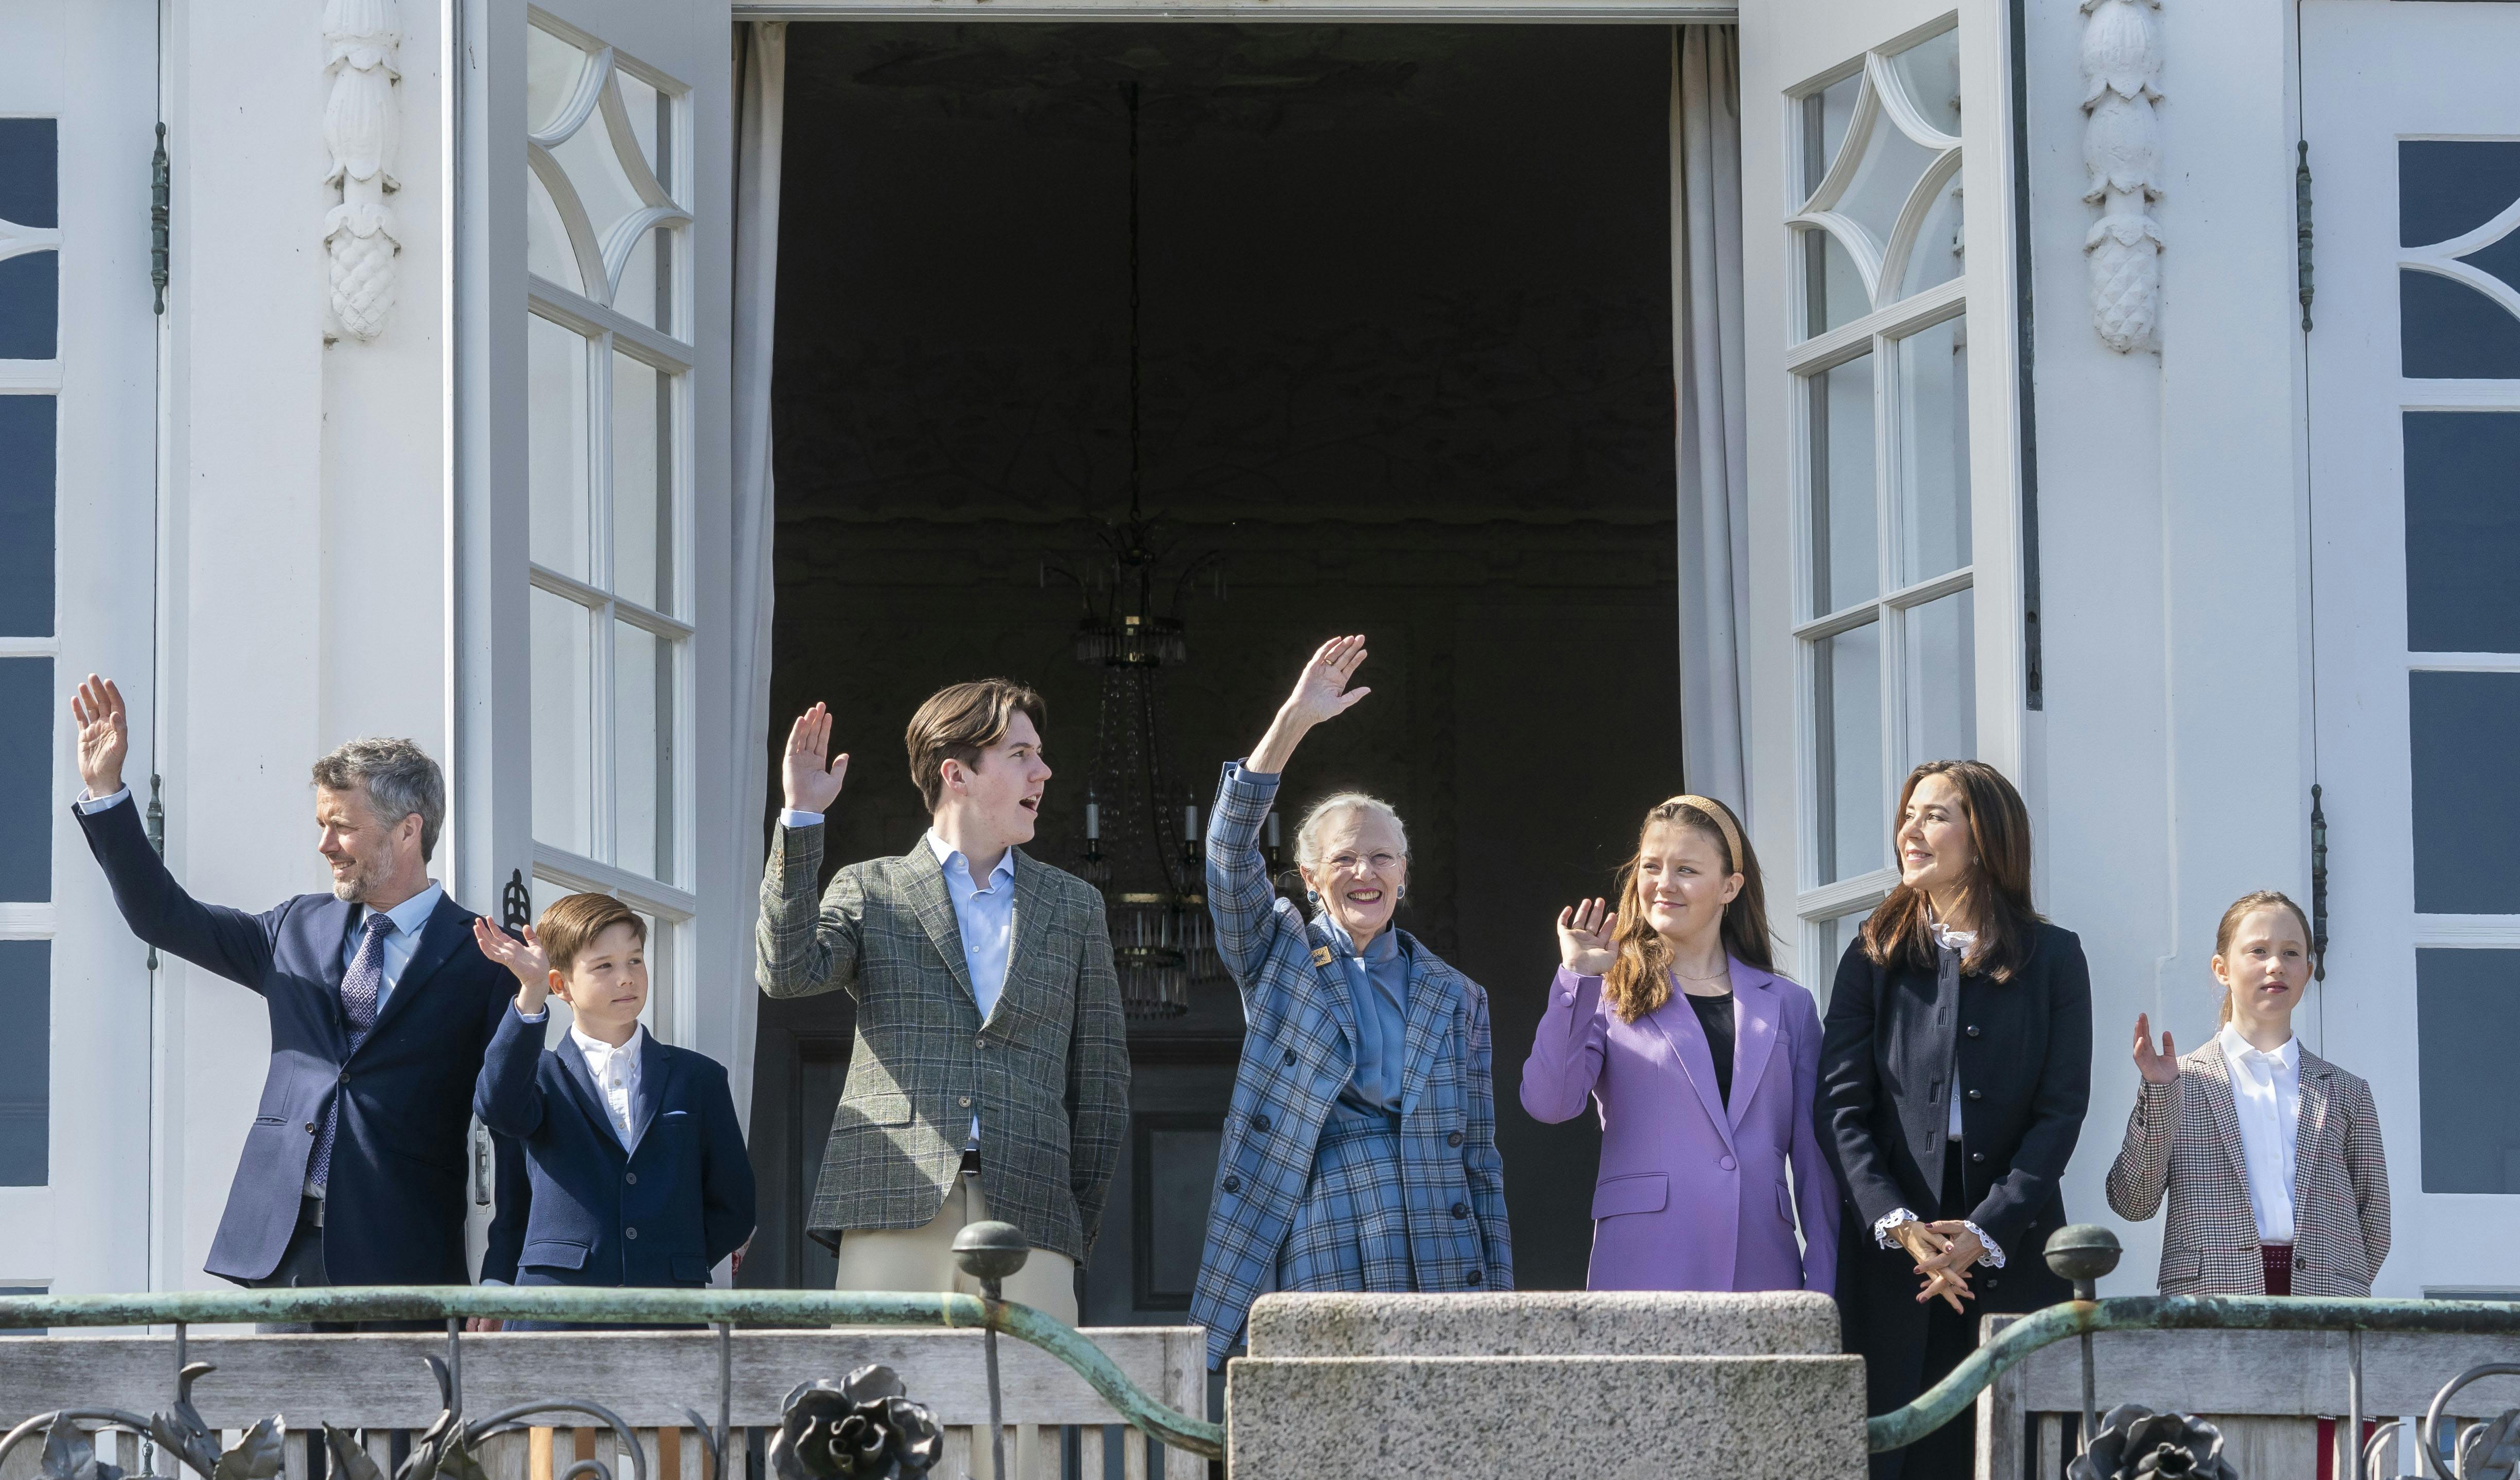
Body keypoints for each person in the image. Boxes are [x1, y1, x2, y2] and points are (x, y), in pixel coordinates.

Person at [65, 675, 524, 1319]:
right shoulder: (294, 927)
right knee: (285, 1424)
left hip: (405, 1260)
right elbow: (163, 917)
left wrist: (503, 1274)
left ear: (407, 831)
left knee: (400, 1425)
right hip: (282, 1252)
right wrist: (105, 792)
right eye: (320, 824)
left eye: (342, 827)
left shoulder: (485, 959)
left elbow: (516, 1129)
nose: (324, 845)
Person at [755, 679, 1128, 1325]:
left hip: (1032, 1209)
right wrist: (802, 817)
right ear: (956, 772)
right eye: (1020, 754)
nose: (1043, 770)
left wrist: (1071, 1220)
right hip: (891, 1198)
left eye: (1038, 754)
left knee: (1018, 1423)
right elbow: (785, 972)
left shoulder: (1074, 905)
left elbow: (1101, 1079)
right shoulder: (871, 887)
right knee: (886, 1414)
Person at [1191, 636, 1512, 1372]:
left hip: (1441, 1225)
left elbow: (1483, 1161)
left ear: (1405, 873)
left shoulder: (1459, 996)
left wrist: (1502, 1309)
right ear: (1308, 876)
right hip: (1328, 1211)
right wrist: (1294, 722)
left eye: (1381, 857)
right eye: (1343, 858)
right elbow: (1227, 854)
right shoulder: (1279, 956)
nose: (1363, 871)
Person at [1819, 760, 2092, 1480]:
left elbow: (2060, 1114)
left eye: (1934, 814)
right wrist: (1900, 1225)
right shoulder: (1871, 956)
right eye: (1908, 814)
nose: (1910, 829)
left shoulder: (2055, 958)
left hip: (2015, 1248)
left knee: (2013, 1455)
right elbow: (1841, 1110)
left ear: (1985, 837)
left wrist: (1986, 1230)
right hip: (1894, 1258)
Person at [1522, 795, 1838, 1293]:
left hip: (1764, 1273)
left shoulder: (1789, 1006)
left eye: (1686, 869)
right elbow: (1550, 1102)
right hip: (1642, 1267)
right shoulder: (1605, 990)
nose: (1663, 884)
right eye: (1651, 866)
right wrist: (1577, 978)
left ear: (1729, 886)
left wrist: (1826, 1292)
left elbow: (1817, 1170)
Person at [470, 892, 755, 1329]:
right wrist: (530, 994)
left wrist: (670, 1263)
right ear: (560, 985)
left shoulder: (699, 1078)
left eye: (635, 961)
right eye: (604, 966)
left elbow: (734, 1205)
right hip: (552, 1316)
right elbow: (499, 1110)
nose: (626, 978)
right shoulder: (538, 1076)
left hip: (668, 1315)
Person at [2105, 890, 2390, 1296]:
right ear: (2222, 969)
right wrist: (2160, 1091)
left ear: (2308, 971)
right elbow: (2133, 1201)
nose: (2275, 965)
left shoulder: (2346, 1091)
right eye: (2257, 950)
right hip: (2211, 1301)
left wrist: (2339, 1283)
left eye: (2291, 953)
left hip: (2325, 1303)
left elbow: (2374, 1225)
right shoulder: (2178, 1079)